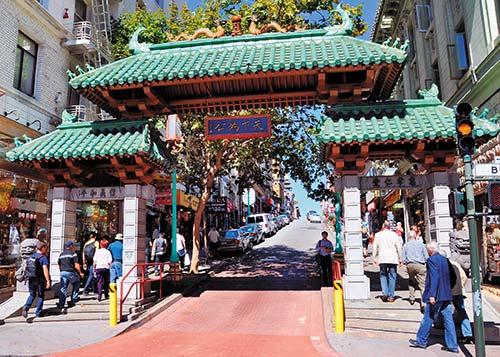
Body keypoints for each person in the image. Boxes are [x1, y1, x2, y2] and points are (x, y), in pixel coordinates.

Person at [409, 242, 459, 353]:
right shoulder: (444, 259)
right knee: (448, 320)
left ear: (430, 251)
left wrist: (432, 294)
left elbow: (434, 277)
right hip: (446, 294)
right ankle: (453, 345)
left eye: (427, 250)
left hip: (436, 295)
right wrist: (448, 288)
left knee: (428, 317)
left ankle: (421, 340)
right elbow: (452, 275)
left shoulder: (431, 260)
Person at [373, 221, 402, 302]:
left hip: (382, 258)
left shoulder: (378, 235)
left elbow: (375, 247)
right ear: (389, 227)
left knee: (383, 276)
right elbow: (399, 247)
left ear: (383, 226)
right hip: (392, 258)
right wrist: (400, 258)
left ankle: (385, 292)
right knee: (392, 277)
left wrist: (375, 258)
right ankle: (391, 296)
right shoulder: (394, 235)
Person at [449, 253, 473, 344]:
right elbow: (464, 277)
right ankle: (467, 333)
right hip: (459, 291)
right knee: (462, 312)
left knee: (447, 313)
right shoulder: (457, 265)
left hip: (449, 292)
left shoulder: (446, 264)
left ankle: (451, 336)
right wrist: (460, 286)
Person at [22, 241, 50, 319]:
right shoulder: (43, 258)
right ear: (42, 248)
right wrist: (48, 280)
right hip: (39, 280)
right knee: (41, 295)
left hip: (31, 278)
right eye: (45, 248)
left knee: (32, 294)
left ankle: (26, 307)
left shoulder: (31, 257)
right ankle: (38, 312)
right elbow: (45, 269)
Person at [402, 230, 428, 306]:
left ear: (408, 237)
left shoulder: (406, 245)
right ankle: (424, 302)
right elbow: (426, 257)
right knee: (422, 284)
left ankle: (412, 297)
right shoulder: (421, 245)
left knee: (411, 280)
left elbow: (403, 258)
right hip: (420, 265)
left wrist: (406, 264)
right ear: (416, 237)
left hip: (410, 265)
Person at [57, 241, 84, 309]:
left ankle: (61, 303)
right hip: (70, 272)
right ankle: (73, 299)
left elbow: (59, 264)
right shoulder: (73, 253)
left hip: (63, 272)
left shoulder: (61, 254)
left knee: (63, 288)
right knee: (76, 283)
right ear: (71, 246)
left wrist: (61, 270)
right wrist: (80, 273)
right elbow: (76, 265)